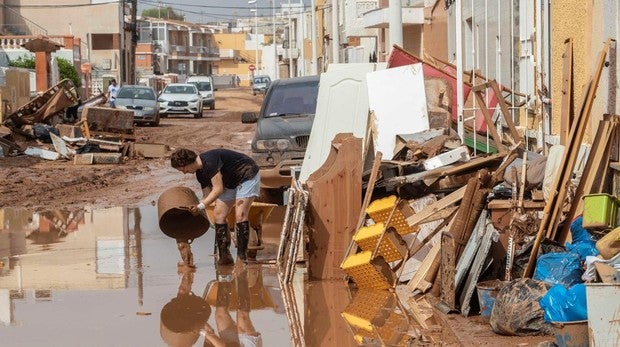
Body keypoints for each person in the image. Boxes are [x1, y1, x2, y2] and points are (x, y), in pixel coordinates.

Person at [170, 148, 260, 265]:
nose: (184, 172)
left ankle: (242, 258)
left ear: (185, 162)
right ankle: (225, 256)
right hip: (230, 182)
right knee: (218, 215)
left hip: (247, 175)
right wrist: (196, 206)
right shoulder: (200, 173)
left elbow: (218, 189)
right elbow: (207, 196)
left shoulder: (209, 161)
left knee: (240, 215)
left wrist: (201, 206)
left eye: (183, 169)